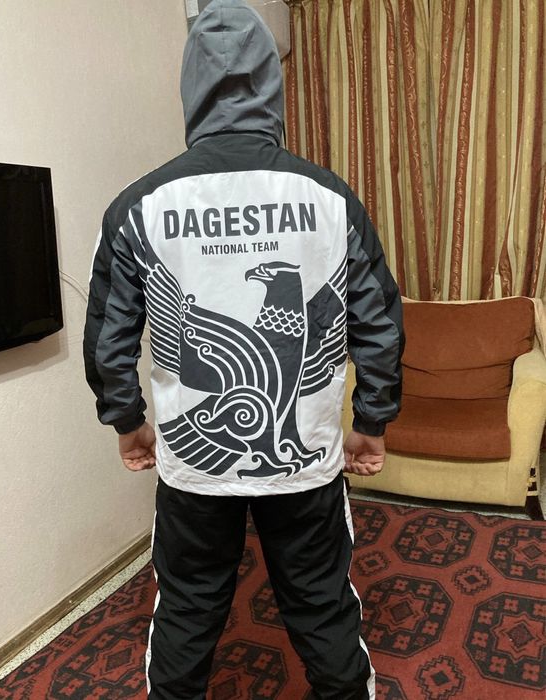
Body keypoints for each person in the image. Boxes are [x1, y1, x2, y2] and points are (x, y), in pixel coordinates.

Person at [83, 1, 404, 697]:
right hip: (305, 458)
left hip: (195, 466)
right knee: (320, 601)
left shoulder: (139, 204)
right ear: (270, 81)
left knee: (188, 605)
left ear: (190, 87)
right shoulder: (327, 197)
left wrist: (127, 422)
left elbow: (109, 335)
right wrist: (372, 421)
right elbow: (377, 320)